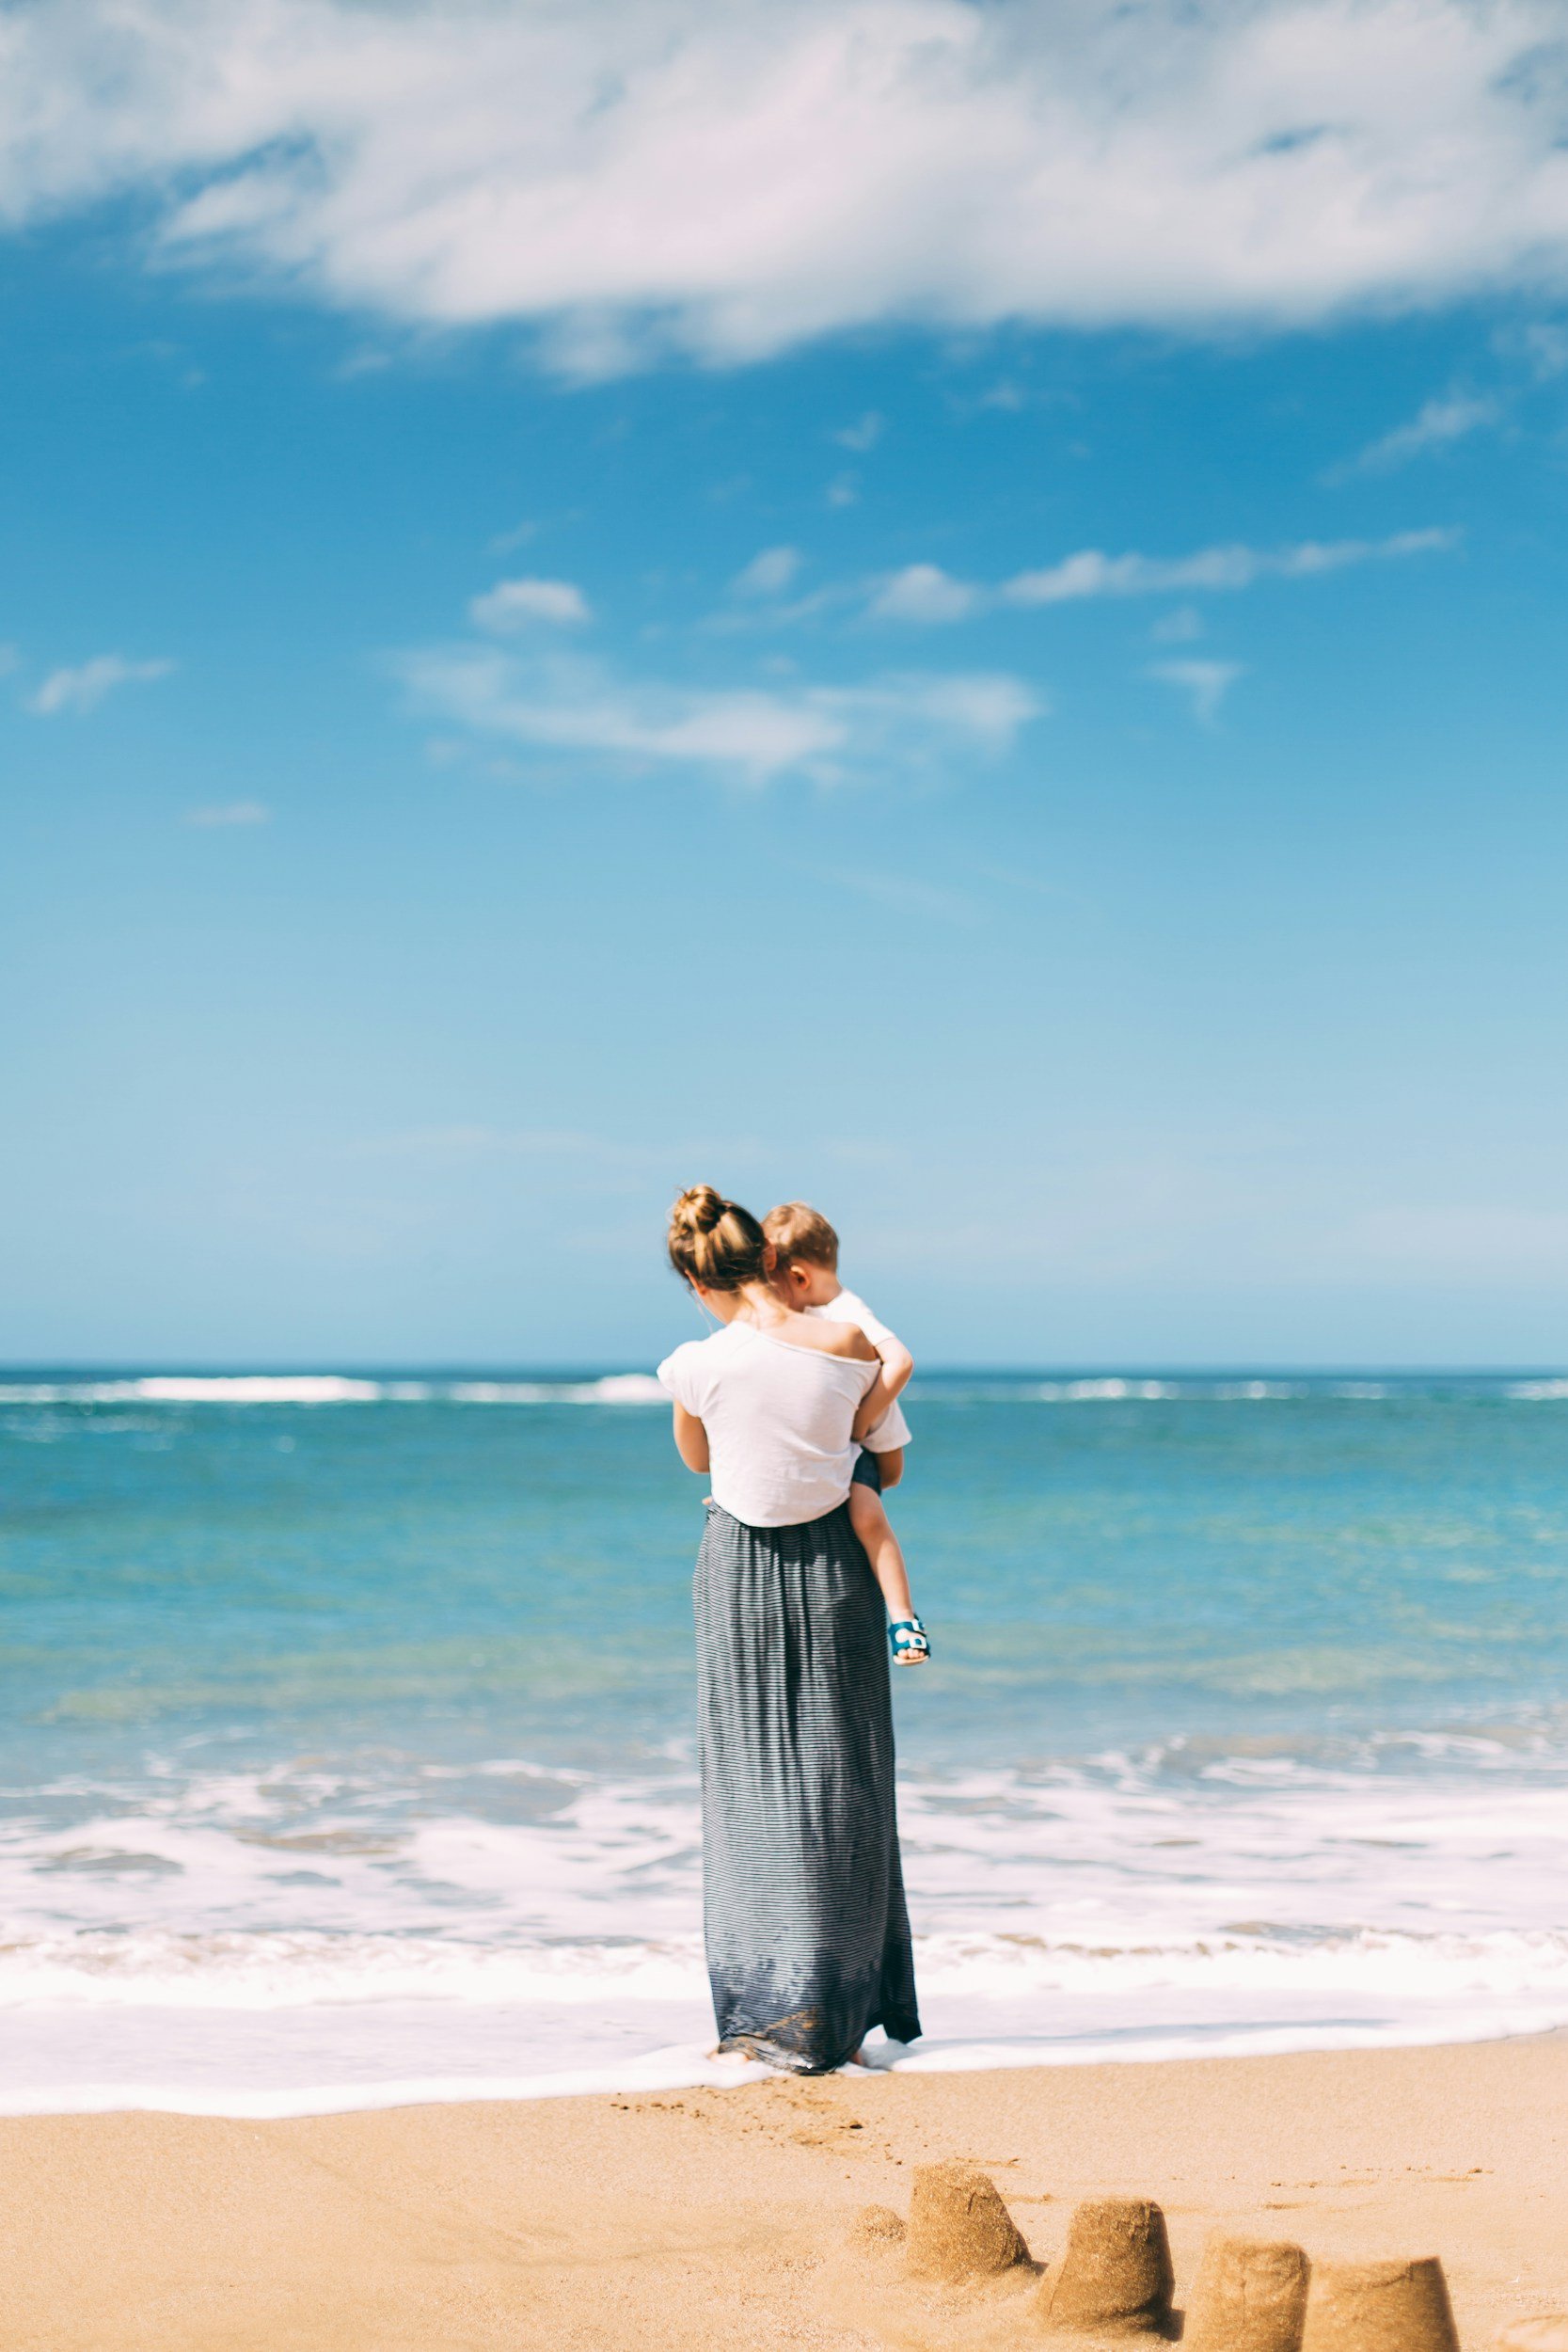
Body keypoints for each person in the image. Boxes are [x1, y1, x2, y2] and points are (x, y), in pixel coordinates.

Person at [657, 1184, 922, 2075]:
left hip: (737, 1575)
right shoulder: (849, 1345)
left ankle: (763, 2011)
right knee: (844, 1779)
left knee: (750, 1789)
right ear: (771, 1262)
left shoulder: (692, 1364)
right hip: (836, 1572)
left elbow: (699, 1460)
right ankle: (841, 2009)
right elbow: (883, 1461)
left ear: (700, 1281)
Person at [762, 1200, 929, 1665]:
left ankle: (903, 1620)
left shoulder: (846, 1310)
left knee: (867, 1516)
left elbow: (901, 1362)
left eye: (770, 1287)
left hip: (865, 1438)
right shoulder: (812, 1313)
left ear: (797, 1277)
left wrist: (862, 1418)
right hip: (839, 1436)